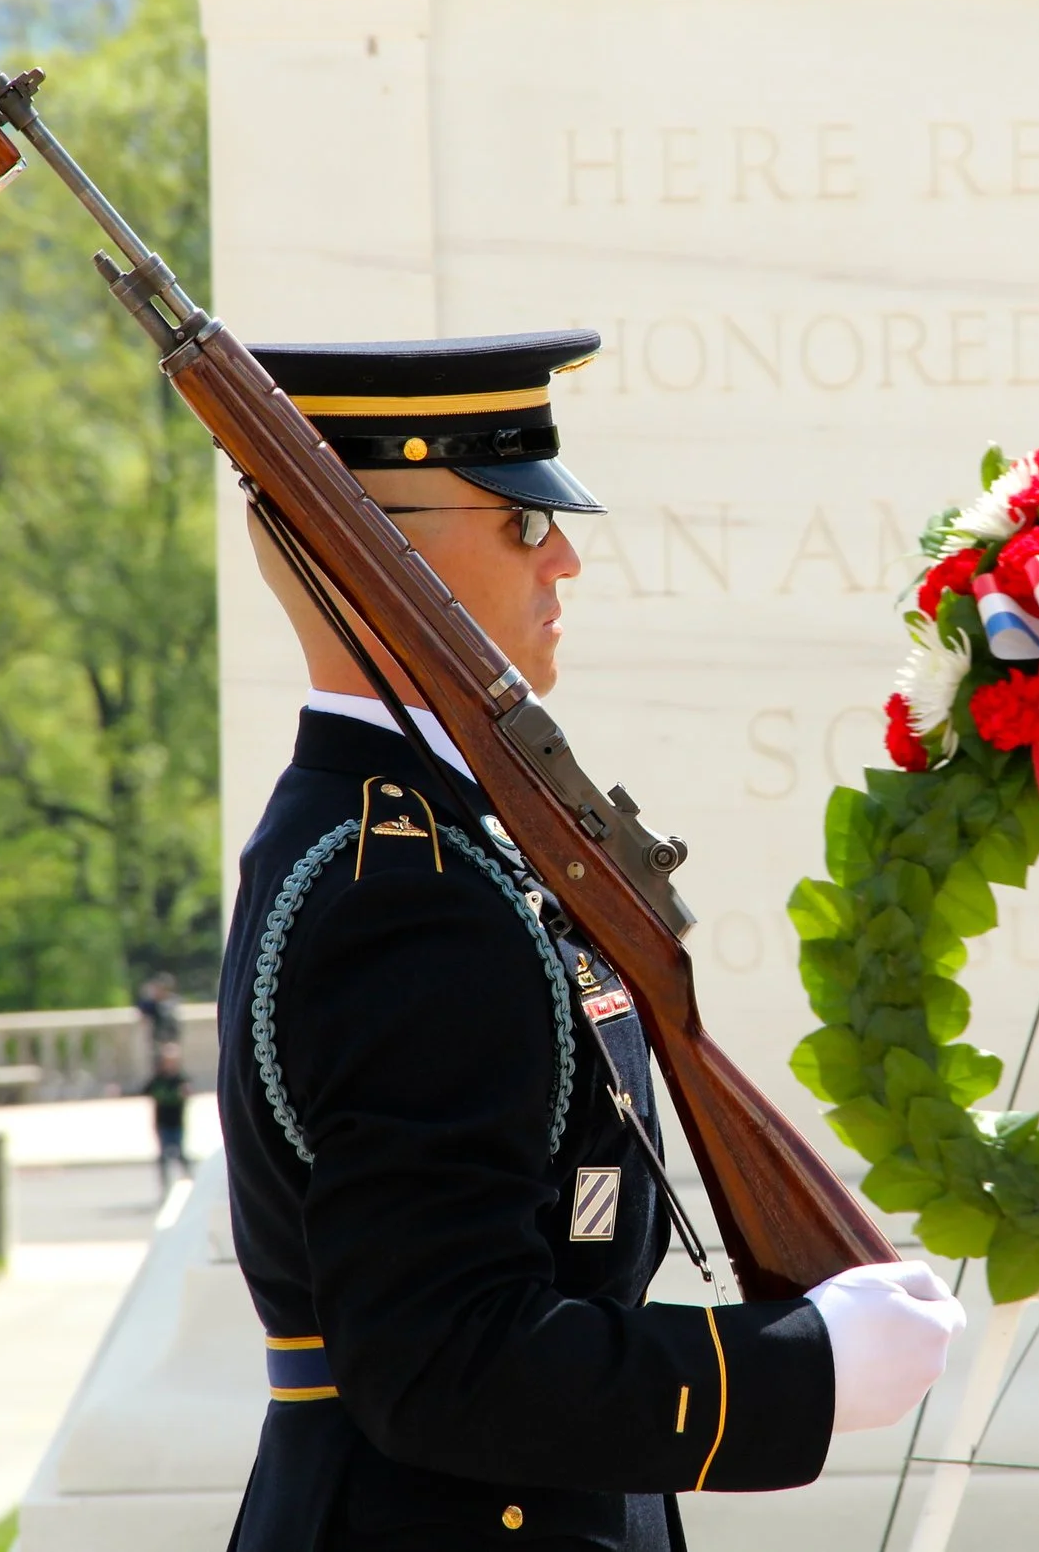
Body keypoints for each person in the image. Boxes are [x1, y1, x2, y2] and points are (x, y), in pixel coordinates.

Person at [215, 329, 964, 1551]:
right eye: (519, 522)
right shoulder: (408, 889)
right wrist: (795, 1369)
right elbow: (445, 1357)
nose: (563, 552)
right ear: (381, 554)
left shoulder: (423, 839)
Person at [144, 1038, 191, 1194]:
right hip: (162, 1122)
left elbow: (186, 1095)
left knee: (180, 1153)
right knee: (163, 1156)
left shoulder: (181, 1079)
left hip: (177, 1121)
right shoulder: (158, 1080)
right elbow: (145, 1090)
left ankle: (188, 1180)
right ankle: (165, 1187)